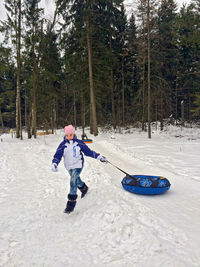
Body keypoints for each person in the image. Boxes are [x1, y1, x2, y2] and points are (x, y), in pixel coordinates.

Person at [51, 125, 107, 214]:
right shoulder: (63, 145)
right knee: (76, 179)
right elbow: (58, 155)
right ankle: (83, 188)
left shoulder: (79, 143)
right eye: (67, 135)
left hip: (78, 165)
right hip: (69, 167)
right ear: (65, 135)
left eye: (71, 135)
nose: (69, 137)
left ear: (74, 134)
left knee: (73, 181)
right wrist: (55, 163)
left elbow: (88, 152)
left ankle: (71, 204)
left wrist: (99, 157)